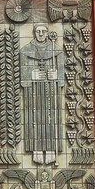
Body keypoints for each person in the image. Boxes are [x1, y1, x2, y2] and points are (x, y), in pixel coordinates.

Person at [19, 24, 65, 165]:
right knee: (34, 120)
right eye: (38, 31)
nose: (40, 34)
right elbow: (22, 72)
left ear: (47, 33)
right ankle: (36, 151)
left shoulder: (56, 50)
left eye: (43, 31)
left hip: (51, 91)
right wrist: (31, 74)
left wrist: (56, 75)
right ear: (34, 33)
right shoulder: (26, 50)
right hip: (33, 93)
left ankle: (51, 151)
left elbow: (62, 73)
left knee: (51, 119)